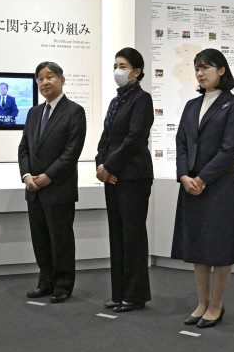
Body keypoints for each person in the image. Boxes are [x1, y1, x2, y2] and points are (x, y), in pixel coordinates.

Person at [171, 48, 234, 328]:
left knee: (220, 247)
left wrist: (202, 178)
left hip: (220, 186)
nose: (200, 73)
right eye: (197, 68)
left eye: (206, 67)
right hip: (191, 184)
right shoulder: (191, 105)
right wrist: (184, 175)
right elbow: (181, 143)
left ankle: (216, 305)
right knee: (197, 246)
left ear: (221, 70)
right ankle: (201, 302)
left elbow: (229, 149)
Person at [18, 61, 86, 303]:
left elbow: (71, 152)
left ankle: (63, 285)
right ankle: (45, 282)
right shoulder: (34, 113)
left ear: (62, 80)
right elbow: (24, 148)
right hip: (34, 189)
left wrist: (48, 176)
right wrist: (27, 175)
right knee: (40, 239)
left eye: (50, 77)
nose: (44, 82)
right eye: (40, 78)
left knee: (61, 240)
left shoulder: (74, 111)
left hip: (58, 187)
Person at [95, 47, 154, 312]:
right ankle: (119, 293)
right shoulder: (115, 101)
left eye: (122, 66)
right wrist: (100, 164)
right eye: (115, 66)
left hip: (133, 177)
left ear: (136, 71)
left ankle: (135, 295)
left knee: (132, 236)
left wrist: (109, 166)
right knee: (117, 235)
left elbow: (134, 139)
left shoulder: (142, 99)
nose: (117, 71)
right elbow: (105, 138)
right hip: (112, 177)